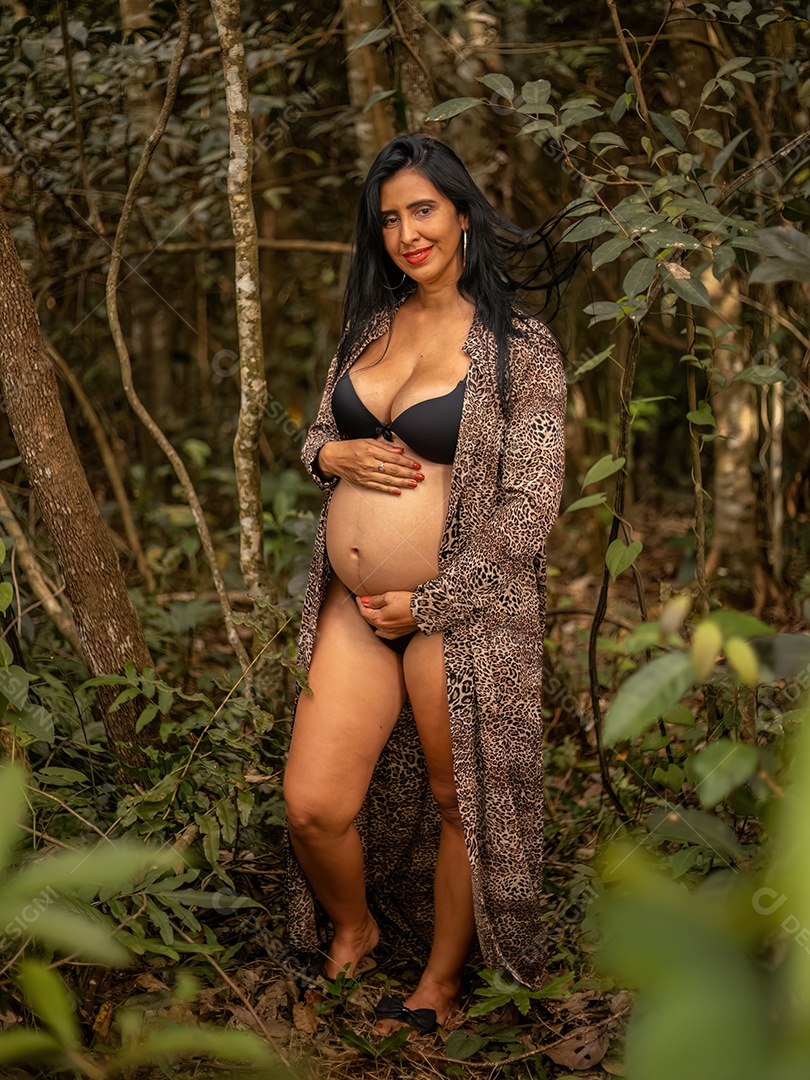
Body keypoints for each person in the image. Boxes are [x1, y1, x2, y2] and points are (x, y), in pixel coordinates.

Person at [284, 133, 570, 1034]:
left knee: (464, 803)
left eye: (422, 210)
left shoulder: (519, 349)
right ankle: (355, 928)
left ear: (462, 215)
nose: (406, 233)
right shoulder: (370, 328)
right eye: (389, 220)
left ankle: (441, 981)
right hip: (352, 607)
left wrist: (434, 601)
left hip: (462, 610)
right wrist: (327, 451)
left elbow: (529, 511)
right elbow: (316, 442)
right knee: (314, 804)